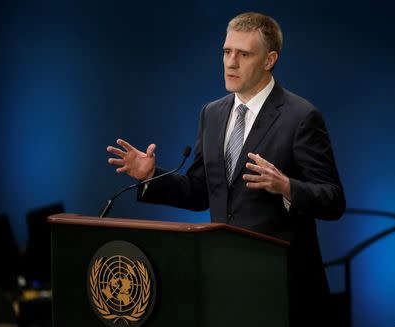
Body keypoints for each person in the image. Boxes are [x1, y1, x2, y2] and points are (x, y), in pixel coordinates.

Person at [107, 12, 345, 325]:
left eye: (244, 54)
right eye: (226, 51)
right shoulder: (213, 113)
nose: (230, 63)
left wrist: (287, 186)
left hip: (284, 289)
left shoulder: (300, 116)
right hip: (225, 283)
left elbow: (333, 199)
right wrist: (151, 176)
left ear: (269, 59)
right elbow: (200, 192)